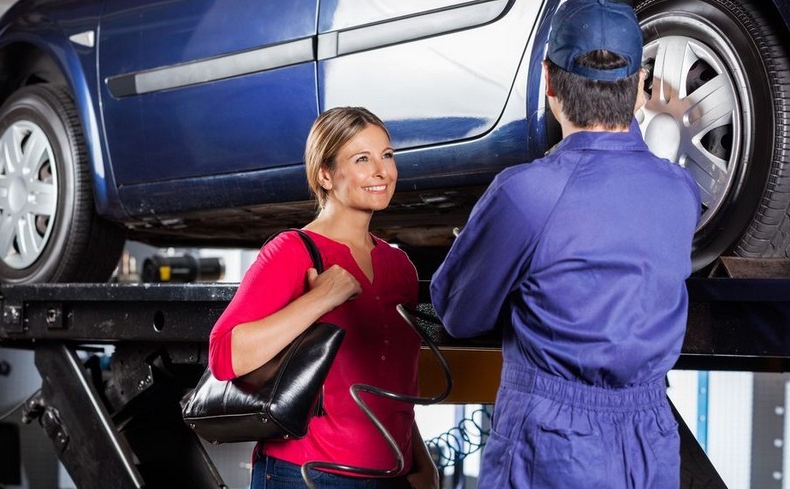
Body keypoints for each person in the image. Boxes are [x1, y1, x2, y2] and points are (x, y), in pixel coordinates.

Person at [430, 0, 701, 487]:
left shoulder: (526, 193)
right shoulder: (681, 192)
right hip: (652, 436)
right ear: (641, 85)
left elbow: (460, 313)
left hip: (555, 440)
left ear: (549, 83)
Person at [208, 107, 439, 489]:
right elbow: (223, 355)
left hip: (391, 473)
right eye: (362, 159)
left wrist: (420, 462)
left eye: (387, 155)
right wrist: (319, 299)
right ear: (325, 175)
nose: (382, 171)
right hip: (307, 473)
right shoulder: (293, 251)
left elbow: (388, 380)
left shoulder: (399, 266)